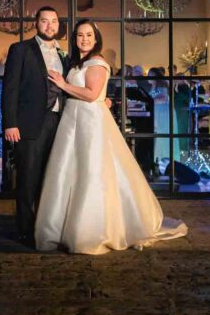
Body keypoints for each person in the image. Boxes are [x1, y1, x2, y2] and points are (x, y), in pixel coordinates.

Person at [35, 20, 188, 254]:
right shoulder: (77, 63)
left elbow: (91, 94)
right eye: (80, 35)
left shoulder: (97, 62)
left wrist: (64, 84)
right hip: (72, 119)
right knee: (68, 171)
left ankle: (92, 230)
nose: (84, 39)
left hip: (89, 121)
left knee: (91, 172)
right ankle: (62, 227)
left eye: (89, 35)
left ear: (96, 40)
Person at [2, 6, 69, 246]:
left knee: (52, 179)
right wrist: (10, 123)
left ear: (59, 25)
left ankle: (46, 227)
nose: (50, 25)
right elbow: (9, 89)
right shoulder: (21, 49)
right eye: (44, 21)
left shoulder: (66, 55)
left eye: (54, 21)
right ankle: (25, 231)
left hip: (60, 123)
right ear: (36, 24)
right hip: (29, 125)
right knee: (28, 180)